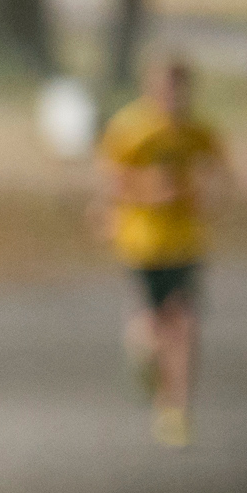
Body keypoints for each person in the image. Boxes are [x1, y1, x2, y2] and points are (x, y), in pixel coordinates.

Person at [96, 54, 230, 448]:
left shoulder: (197, 130)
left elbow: (221, 175)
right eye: (164, 87)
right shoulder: (131, 129)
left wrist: (208, 199)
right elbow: (111, 182)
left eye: (179, 87)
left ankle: (176, 408)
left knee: (185, 323)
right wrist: (148, 193)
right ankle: (144, 362)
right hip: (142, 242)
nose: (172, 96)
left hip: (186, 241)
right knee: (152, 324)